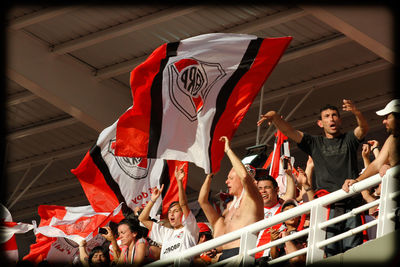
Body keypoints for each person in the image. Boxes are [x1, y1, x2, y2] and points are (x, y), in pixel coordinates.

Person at [258, 99, 369, 257]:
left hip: (351, 203)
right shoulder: (315, 143)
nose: (331, 119)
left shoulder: (349, 139)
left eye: (334, 115)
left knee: (354, 251)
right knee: (331, 253)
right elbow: (290, 132)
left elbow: (363, 128)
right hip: (327, 206)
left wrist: (356, 112)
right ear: (320, 123)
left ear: (340, 120)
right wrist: (275, 117)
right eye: (327, 116)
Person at [198, 136, 264, 262]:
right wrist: (210, 175)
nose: (226, 181)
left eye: (231, 178)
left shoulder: (252, 199)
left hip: (242, 253)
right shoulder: (230, 208)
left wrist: (228, 150)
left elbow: (244, 176)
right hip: (224, 256)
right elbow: (202, 201)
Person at [139, 163, 199, 261]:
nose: (171, 214)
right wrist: (153, 200)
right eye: (170, 211)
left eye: (175, 211)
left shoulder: (189, 229)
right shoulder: (165, 233)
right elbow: (142, 219)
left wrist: (179, 182)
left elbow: (183, 204)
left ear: (183, 215)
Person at [343, 99, 400, 191]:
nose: (384, 121)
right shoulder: (392, 139)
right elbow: (377, 164)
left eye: (387, 117)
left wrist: (392, 168)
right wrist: (357, 180)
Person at [254, 159, 297, 261]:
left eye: (267, 187)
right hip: (248, 257)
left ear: (277, 190)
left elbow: (290, 196)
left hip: (269, 258)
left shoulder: (283, 207)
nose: (263, 191)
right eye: (259, 188)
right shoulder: (253, 209)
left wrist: (289, 175)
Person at [270, 199, 307, 266]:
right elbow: (274, 257)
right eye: (287, 211)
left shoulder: (305, 231)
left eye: (293, 211)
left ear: (299, 216)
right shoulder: (279, 235)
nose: (291, 214)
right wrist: (273, 241)